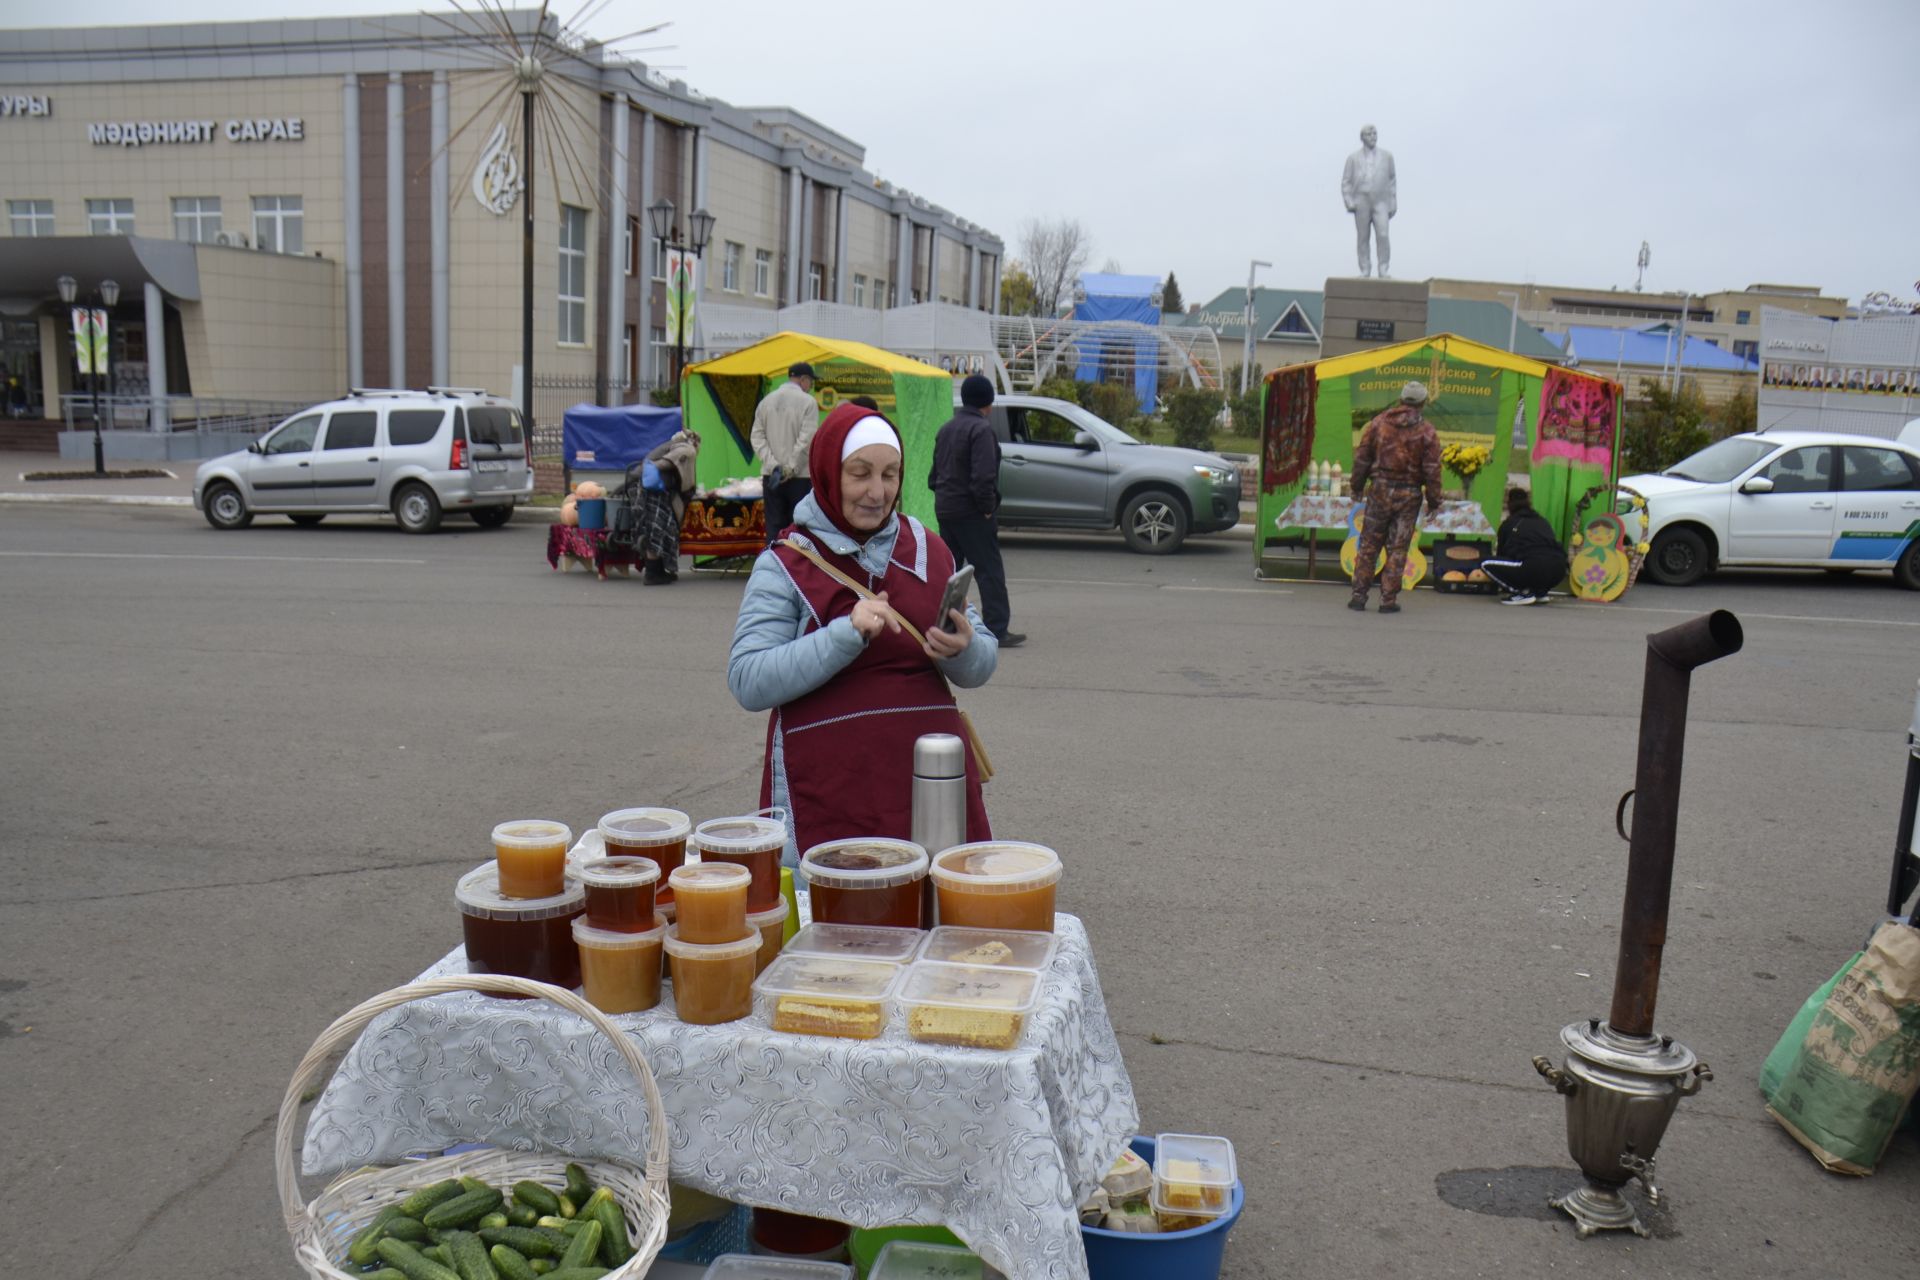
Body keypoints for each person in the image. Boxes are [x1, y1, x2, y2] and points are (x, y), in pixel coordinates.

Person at [729, 402, 999, 863]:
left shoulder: (930, 550)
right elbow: (749, 679)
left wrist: (963, 650)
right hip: (832, 793)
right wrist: (844, 633)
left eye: (890, 474)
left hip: (931, 789)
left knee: (938, 918)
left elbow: (981, 661)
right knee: (840, 922)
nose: (878, 492)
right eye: (861, 474)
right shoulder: (787, 562)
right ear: (829, 472)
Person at [931, 374, 1023, 647]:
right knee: (988, 570)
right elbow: (983, 477)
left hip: (946, 508)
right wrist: (987, 507)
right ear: (988, 403)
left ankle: (944, 624)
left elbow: (933, 477)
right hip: (972, 511)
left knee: (950, 573)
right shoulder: (981, 430)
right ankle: (996, 627)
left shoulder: (946, 429)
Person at [1347, 381, 1442, 614]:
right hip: (1409, 496)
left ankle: (1359, 596)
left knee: (1369, 544)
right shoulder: (1427, 432)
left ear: (1401, 399)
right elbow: (1432, 469)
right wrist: (1434, 500)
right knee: (1398, 548)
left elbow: (1362, 458)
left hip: (1379, 490)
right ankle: (1387, 600)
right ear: (1422, 403)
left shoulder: (1377, 424)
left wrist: (1357, 486)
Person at [750, 361, 821, 546]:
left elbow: (757, 437)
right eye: (810, 382)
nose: (810, 387)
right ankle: (795, 569)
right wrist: (790, 468)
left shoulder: (766, 402)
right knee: (799, 527)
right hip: (800, 477)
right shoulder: (808, 402)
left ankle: (774, 566)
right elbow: (807, 440)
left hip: (771, 476)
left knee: (774, 526)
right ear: (803, 379)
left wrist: (774, 465)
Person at [1481, 486, 1568, 606]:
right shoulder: (1542, 521)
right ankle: (1540, 592)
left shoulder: (1509, 523)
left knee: (1484, 563)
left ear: (1509, 504)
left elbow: (1502, 554)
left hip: (1533, 566)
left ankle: (1523, 593)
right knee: (1535, 563)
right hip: (1559, 570)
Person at [635, 427, 699, 585]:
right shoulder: (687, 449)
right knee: (657, 530)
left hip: (652, 491)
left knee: (660, 530)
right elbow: (667, 465)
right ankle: (652, 574)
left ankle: (659, 571)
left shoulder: (670, 445)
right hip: (657, 493)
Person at [1340, 124, 1397, 279]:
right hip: (1361, 201)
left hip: (1381, 201)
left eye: (1375, 133)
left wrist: (1393, 202)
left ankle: (1383, 267)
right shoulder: (1353, 158)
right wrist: (1349, 201)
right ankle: (1365, 268)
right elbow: (1346, 182)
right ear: (1362, 137)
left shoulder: (1387, 156)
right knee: (1363, 237)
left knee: (1383, 234)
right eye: (1369, 134)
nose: (1373, 136)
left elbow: (1392, 180)